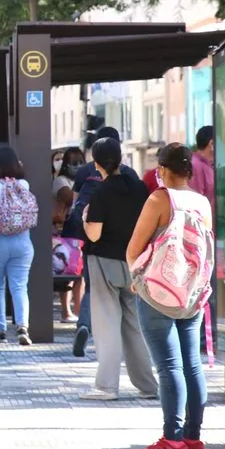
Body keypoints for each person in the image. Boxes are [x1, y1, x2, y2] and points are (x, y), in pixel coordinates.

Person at [127, 143, 213, 449]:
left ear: (162, 169)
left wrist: (137, 279)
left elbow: (134, 248)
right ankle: (193, 439)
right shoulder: (201, 202)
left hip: (159, 293)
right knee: (191, 364)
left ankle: (172, 441)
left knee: (169, 367)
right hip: (191, 293)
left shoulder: (159, 198)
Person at [79, 137, 158, 401]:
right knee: (134, 325)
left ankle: (106, 386)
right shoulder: (137, 188)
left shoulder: (101, 192)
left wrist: (84, 218)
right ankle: (148, 386)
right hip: (135, 262)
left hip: (104, 261)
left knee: (107, 324)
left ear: (97, 163)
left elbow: (93, 234)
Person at [69, 126, 139, 357]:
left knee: (103, 311)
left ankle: (85, 326)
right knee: (133, 318)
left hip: (100, 255)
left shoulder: (92, 181)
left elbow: (90, 227)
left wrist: (86, 219)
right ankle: (147, 382)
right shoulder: (133, 179)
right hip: (131, 255)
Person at [0, 146, 37, 346]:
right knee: (20, 286)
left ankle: (0, 329)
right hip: (23, 242)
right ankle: (22, 326)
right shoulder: (23, 184)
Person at [188, 125, 218, 353]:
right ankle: (203, 338)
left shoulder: (206, 166)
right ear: (211, 143)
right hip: (202, 238)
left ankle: (207, 338)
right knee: (206, 288)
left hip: (210, 236)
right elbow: (196, 205)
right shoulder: (199, 167)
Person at [53, 147, 85, 322]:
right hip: (67, 232)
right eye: (73, 163)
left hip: (81, 230)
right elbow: (68, 197)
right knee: (67, 271)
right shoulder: (60, 181)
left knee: (80, 274)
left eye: (81, 162)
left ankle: (78, 310)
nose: (78, 166)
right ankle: (66, 311)